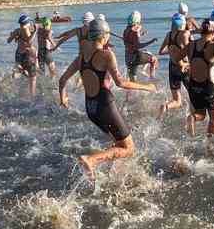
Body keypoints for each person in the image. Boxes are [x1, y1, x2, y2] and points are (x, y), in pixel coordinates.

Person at [56, 16, 155, 179]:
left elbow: (62, 80)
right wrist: (147, 87)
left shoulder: (81, 57)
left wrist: (63, 98)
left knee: (118, 143)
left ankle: (115, 173)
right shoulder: (107, 55)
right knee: (129, 148)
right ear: (104, 36)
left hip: (91, 110)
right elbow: (121, 83)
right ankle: (92, 160)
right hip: (105, 106)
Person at [182, 17, 214, 138]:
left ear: (201, 31)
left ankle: (192, 118)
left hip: (193, 86)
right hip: (208, 87)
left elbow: (180, 58)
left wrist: (185, 66)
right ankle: (210, 142)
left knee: (201, 114)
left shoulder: (191, 45)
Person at [158, 14, 191, 115]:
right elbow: (189, 51)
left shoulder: (169, 35)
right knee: (195, 94)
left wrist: (172, 51)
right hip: (184, 67)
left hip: (172, 67)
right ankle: (193, 117)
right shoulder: (183, 35)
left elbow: (161, 51)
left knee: (177, 101)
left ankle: (166, 106)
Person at [6, 14, 39, 95]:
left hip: (18, 54)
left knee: (17, 71)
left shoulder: (17, 30)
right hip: (28, 56)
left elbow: (8, 41)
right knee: (33, 78)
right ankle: (32, 97)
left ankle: (11, 86)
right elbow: (29, 42)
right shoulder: (26, 29)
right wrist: (35, 31)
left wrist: (13, 36)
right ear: (27, 23)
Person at [121, 12, 158, 82]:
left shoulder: (125, 31)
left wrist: (141, 35)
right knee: (154, 59)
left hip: (128, 59)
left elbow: (131, 41)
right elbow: (139, 46)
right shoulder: (135, 31)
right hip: (136, 57)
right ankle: (152, 77)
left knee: (133, 82)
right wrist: (151, 41)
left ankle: (130, 93)